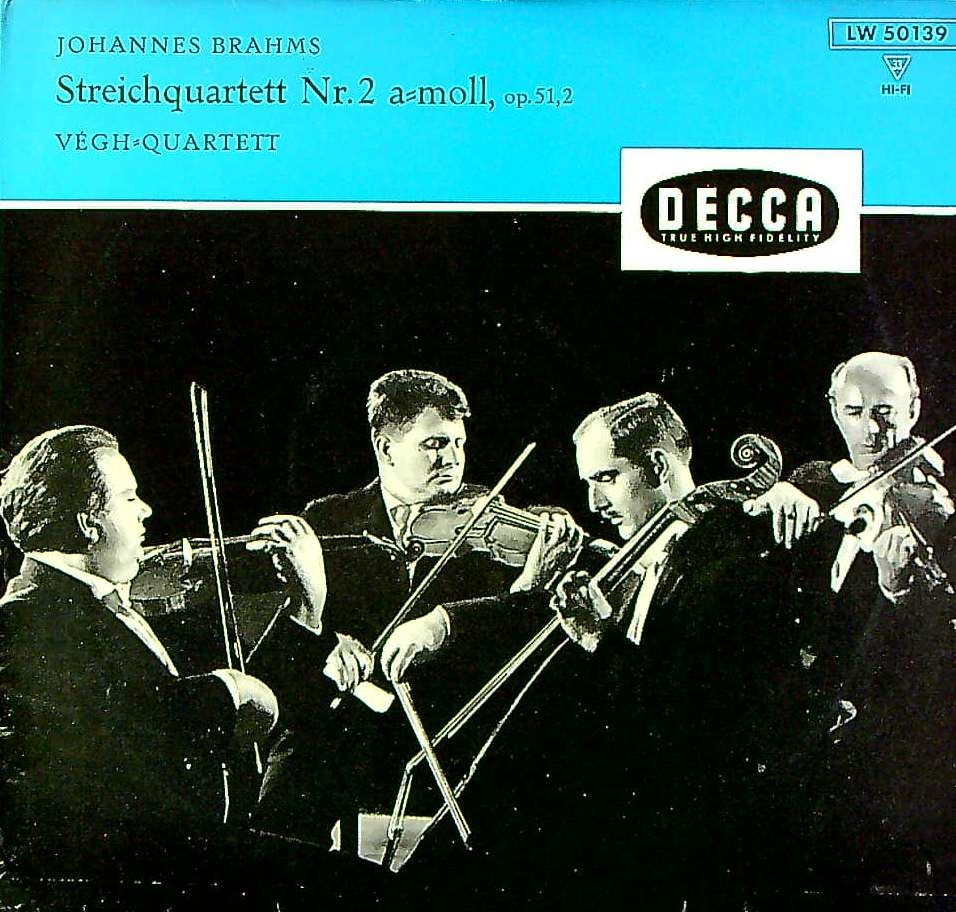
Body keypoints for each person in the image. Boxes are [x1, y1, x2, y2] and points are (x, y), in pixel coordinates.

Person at [382, 394, 806, 908]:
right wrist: (443, 623)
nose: (593, 504)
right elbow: (536, 609)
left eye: (606, 479)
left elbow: (688, 718)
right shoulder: (644, 550)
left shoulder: (730, 564)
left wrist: (599, 640)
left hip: (655, 827)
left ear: (658, 466)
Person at [250, 369, 580, 869]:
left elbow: (510, 640)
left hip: (449, 723)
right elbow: (288, 648)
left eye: (458, 443)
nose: (452, 458)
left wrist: (529, 584)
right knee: (289, 788)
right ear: (385, 449)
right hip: (351, 728)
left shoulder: (489, 517)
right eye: (434, 444)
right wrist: (326, 640)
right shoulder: (329, 520)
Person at [0, 426, 278, 898]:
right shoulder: (27, 616)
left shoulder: (85, 603)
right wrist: (228, 690)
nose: (146, 510)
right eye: (128, 498)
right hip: (122, 879)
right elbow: (130, 730)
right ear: (89, 524)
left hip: (167, 859)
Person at [744, 351, 955, 897]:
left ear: (914, 411)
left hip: (884, 755)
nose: (871, 430)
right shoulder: (816, 482)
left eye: (886, 412)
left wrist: (897, 589)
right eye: (855, 411)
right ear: (834, 410)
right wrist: (777, 492)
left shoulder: (936, 509)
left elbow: (936, 654)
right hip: (799, 742)